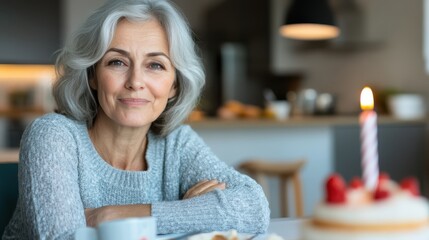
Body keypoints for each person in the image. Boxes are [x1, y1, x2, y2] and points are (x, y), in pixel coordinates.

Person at [2, 0, 270, 239]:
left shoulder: (176, 143)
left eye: (155, 65)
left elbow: (254, 207)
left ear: (174, 85)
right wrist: (188, 215)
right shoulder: (52, 136)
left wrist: (112, 216)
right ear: (93, 75)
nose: (135, 82)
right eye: (117, 62)